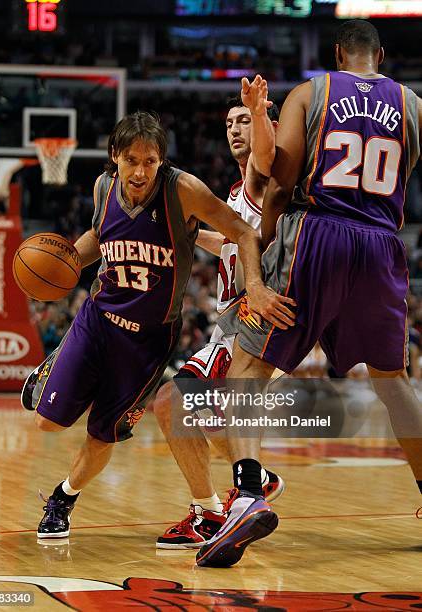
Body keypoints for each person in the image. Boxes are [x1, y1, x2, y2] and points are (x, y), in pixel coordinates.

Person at [196, 19, 422, 568]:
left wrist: (270, 239)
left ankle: (247, 493)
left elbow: (278, 170)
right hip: (382, 243)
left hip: (318, 235)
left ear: (339, 53)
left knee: (246, 370)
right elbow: (404, 175)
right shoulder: (413, 104)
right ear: (381, 56)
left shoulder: (313, 91)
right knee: (395, 383)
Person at [20, 110, 293, 539]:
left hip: (148, 341)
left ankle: (62, 499)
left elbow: (241, 231)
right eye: (132, 160)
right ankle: (56, 363)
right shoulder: (102, 188)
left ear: (162, 161)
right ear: (115, 157)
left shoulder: (183, 190)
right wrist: (64, 265)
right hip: (98, 320)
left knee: (104, 434)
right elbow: (100, 236)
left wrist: (254, 284)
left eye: (151, 161)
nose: (141, 170)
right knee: (47, 423)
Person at [153, 76, 286, 550]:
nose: (234, 129)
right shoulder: (233, 194)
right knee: (206, 422)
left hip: (245, 326)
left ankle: (208, 513)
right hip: (226, 329)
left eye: (243, 122)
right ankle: (256, 480)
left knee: (172, 403)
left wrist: (262, 111)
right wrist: (183, 237)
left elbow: (265, 160)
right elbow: (227, 240)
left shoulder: (261, 177)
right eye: (229, 122)